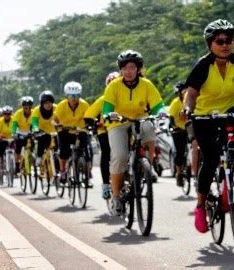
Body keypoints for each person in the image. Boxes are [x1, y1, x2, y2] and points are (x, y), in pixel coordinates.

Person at [181, 19, 234, 233]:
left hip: (230, 110)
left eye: (229, 40)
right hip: (204, 116)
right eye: (219, 41)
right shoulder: (203, 66)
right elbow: (191, 94)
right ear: (210, 43)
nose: (225, 45)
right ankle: (201, 205)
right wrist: (187, 109)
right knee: (210, 159)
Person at [103, 50, 165, 216]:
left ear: (138, 69)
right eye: (124, 68)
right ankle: (116, 196)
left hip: (140, 119)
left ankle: (148, 165)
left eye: (132, 67)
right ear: (120, 70)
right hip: (118, 122)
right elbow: (107, 108)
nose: (128, 71)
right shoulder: (114, 86)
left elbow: (158, 105)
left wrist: (160, 112)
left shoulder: (146, 84)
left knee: (149, 127)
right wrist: (109, 114)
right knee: (120, 156)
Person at [84, 71, 119, 199]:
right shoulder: (103, 99)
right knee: (106, 153)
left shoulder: (125, 96)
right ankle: (105, 185)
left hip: (122, 128)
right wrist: (94, 124)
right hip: (105, 130)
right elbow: (88, 115)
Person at [53, 81, 90, 185]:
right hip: (65, 130)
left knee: (85, 152)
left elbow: (89, 117)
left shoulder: (84, 104)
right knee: (64, 152)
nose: (74, 98)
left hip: (80, 130)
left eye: (77, 95)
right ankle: (63, 171)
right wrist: (56, 125)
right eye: (71, 96)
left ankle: (87, 175)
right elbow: (54, 119)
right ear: (66, 96)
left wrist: (91, 125)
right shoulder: (61, 105)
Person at [168, 82, 190, 187]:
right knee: (180, 152)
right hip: (178, 129)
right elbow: (171, 118)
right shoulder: (175, 103)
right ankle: (179, 173)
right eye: (184, 90)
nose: (186, 92)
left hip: (189, 128)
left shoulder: (191, 101)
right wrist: (174, 127)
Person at [31, 91, 57, 167]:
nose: (48, 105)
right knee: (42, 140)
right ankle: (39, 157)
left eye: (49, 102)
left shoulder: (57, 108)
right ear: (42, 103)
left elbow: (62, 118)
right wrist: (36, 130)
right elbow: (34, 122)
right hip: (42, 132)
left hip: (54, 132)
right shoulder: (36, 110)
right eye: (45, 103)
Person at [11, 96, 34, 173]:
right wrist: (13, 133)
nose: (27, 110)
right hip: (20, 132)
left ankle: (30, 161)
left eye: (29, 107)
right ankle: (17, 165)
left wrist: (36, 131)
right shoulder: (18, 113)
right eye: (25, 108)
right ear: (23, 107)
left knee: (32, 148)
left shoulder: (34, 113)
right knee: (18, 150)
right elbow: (14, 124)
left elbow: (35, 124)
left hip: (29, 132)